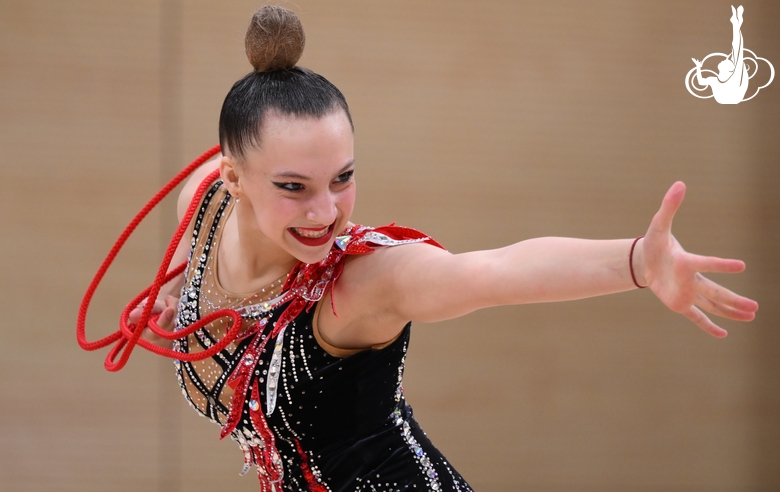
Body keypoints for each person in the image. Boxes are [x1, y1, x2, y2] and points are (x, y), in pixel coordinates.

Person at [129, 6, 758, 491]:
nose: (326, 212)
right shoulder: (206, 201)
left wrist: (636, 263)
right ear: (234, 178)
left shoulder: (362, 285)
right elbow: (201, 268)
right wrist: (177, 292)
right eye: (294, 188)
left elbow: (493, 272)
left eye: (343, 178)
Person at [692, 5, 748, 104]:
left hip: (731, 96)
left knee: (737, 51)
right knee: (737, 52)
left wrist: (698, 67)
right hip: (731, 97)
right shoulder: (718, 79)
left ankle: (736, 23)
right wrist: (698, 67)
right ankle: (736, 23)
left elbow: (701, 82)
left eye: (726, 61)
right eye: (727, 61)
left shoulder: (723, 79)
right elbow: (701, 82)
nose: (724, 59)